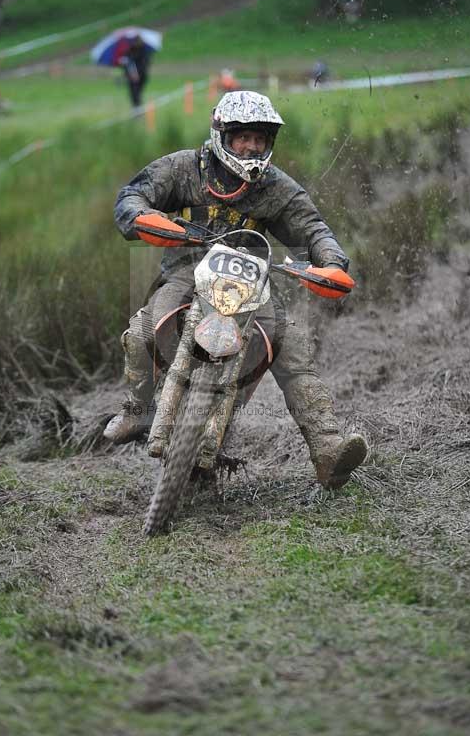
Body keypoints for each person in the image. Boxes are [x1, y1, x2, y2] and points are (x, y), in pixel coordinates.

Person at [104, 91, 367, 490]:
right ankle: (137, 408)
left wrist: (331, 262)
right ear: (222, 135)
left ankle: (328, 448)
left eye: (260, 139)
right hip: (185, 275)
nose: (251, 146)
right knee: (144, 330)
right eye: (243, 137)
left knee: (291, 342)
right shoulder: (182, 168)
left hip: (250, 284)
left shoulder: (277, 188)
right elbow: (131, 195)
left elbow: (313, 228)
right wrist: (145, 217)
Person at [118, 35, 151, 108]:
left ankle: (138, 110)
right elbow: (126, 64)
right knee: (133, 94)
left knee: (137, 93)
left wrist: (138, 74)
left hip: (141, 76)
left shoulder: (144, 51)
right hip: (131, 76)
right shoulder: (129, 51)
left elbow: (145, 64)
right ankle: (136, 109)